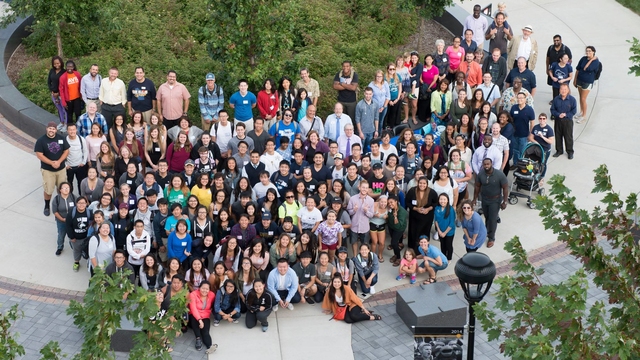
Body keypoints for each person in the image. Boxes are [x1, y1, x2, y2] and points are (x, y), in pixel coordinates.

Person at [35, 122, 70, 216]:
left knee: (62, 188)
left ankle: (61, 205)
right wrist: (51, 163)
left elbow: (66, 151)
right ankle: (47, 206)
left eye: (53, 129)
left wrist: (59, 162)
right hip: (47, 170)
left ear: (56, 130)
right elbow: (39, 155)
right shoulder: (41, 140)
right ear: (46, 128)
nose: (51, 130)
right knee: (48, 190)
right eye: (50, 128)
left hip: (61, 169)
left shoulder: (61, 138)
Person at [472, 158, 508, 248]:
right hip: (485, 199)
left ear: (491, 164)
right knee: (487, 217)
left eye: (488, 164)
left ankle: (491, 238)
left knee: (492, 219)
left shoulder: (499, 174)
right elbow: (477, 187)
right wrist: (474, 199)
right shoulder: (481, 174)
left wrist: (505, 201)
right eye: (485, 164)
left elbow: (505, 188)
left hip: (495, 200)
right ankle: (486, 231)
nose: (486, 166)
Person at [405, 176, 438, 251]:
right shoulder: (412, 191)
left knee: (424, 232)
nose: (422, 185)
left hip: (427, 217)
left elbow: (435, 203)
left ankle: (423, 247)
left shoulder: (432, 192)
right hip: (414, 216)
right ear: (417, 183)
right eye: (420, 183)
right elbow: (407, 202)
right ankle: (412, 248)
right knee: (413, 232)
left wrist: (428, 209)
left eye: (424, 183)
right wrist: (416, 209)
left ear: (427, 184)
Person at [347, 180, 374, 256]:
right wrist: (354, 210)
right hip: (354, 225)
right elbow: (349, 212)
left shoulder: (371, 200)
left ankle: (363, 257)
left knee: (364, 244)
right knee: (354, 242)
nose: (364, 189)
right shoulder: (352, 199)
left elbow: (371, 215)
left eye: (366, 188)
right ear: (359, 188)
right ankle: (355, 257)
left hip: (365, 227)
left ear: (368, 189)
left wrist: (366, 211)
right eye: (363, 187)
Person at [573, 46, 600, 122]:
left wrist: (591, 60)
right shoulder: (583, 59)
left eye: (590, 51)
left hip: (587, 82)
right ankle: (581, 112)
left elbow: (586, 68)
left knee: (583, 98)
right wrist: (575, 80)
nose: (588, 52)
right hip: (580, 80)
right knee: (580, 97)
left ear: (593, 52)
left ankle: (584, 115)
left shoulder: (595, 61)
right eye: (587, 51)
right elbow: (578, 69)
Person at [551, 83, 577, 159]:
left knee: (568, 137)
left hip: (568, 121)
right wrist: (558, 114)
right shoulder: (556, 99)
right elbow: (552, 109)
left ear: (568, 90)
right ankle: (559, 150)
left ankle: (570, 152)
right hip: (558, 120)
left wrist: (566, 114)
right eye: (562, 89)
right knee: (558, 136)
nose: (563, 91)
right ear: (559, 90)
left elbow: (574, 111)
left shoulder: (572, 100)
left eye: (565, 89)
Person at [188, 281, 216, 352]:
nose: (205, 290)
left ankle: (209, 347)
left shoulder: (212, 295)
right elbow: (193, 309)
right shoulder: (193, 294)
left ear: (209, 290)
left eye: (207, 289)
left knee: (205, 332)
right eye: (203, 288)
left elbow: (213, 305)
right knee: (195, 321)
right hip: (194, 315)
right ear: (199, 288)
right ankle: (198, 339)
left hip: (205, 315)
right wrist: (200, 320)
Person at [510, 92, 536, 161]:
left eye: (521, 98)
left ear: (525, 99)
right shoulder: (514, 108)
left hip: (524, 135)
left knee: (522, 151)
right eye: (518, 98)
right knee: (515, 151)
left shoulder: (529, 109)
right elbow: (511, 120)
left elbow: (532, 123)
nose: (519, 99)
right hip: (514, 134)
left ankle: (521, 165)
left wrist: (530, 135)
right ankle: (515, 164)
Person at [528, 113, 555, 181]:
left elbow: (551, 141)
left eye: (543, 118)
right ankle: (531, 174)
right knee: (532, 161)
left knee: (543, 163)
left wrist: (542, 137)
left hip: (545, 149)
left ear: (546, 120)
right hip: (536, 148)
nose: (542, 120)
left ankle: (542, 177)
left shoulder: (549, 129)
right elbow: (530, 137)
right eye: (540, 118)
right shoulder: (536, 127)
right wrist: (536, 143)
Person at [58, 60, 84, 126]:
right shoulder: (63, 77)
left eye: (71, 66)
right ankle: (70, 127)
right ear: (66, 67)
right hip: (68, 100)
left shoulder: (77, 74)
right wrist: (63, 102)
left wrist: (82, 96)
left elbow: (81, 85)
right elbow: (61, 90)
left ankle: (78, 126)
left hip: (77, 98)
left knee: (78, 113)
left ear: (73, 67)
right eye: (68, 66)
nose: (70, 68)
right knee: (69, 114)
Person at [434, 193, 456, 260]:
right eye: (441, 199)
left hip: (449, 232)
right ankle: (443, 257)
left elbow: (451, 223)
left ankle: (449, 258)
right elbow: (436, 220)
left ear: (447, 200)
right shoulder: (437, 208)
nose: (442, 201)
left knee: (448, 245)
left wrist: (444, 233)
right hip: (440, 231)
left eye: (444, 199)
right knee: (442, 245)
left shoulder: (451, 210)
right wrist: (439, 231)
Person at [48, 56, 67, 131]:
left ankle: (66, 124)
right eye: (55, 63)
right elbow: (49, 82)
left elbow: (65, 85)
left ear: (61, 63)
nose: (56, 65)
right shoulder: (52, 71)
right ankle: (61, 122)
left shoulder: (64, 72)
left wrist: (58, 93)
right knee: (59, 109)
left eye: (58, 63)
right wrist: (52, 91)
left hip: (62, 95)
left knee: (64, 109)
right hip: (53, 94)